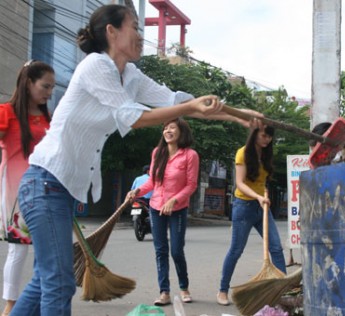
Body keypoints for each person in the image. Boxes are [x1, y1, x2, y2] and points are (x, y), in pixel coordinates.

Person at [10, 5, 261, 316]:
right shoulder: (96, 67)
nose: (141, 36)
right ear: (112, 32)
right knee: (58, 282)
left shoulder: (129, 75)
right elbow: (135, 117)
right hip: (44, 184)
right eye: (135, 27)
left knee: (45, 281)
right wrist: (194, 105)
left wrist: (238, 116)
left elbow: (173, 101)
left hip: (56, 189)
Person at [0, 60, 54, 316]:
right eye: (45, 86)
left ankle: (37, 301)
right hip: (16, 190)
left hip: (46, 190)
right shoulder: (7, 112)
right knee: (18, 248)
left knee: (45, 250)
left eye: (52, 87)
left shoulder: (47, 118)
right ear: (28, 82)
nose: (49, 92)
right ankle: (10, 305)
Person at [127, 117, 197, 306]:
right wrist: (136, 191)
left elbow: (191, 185)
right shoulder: (157, 153)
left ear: (181, 132)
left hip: (178, 209)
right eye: (165, 128)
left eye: (172, 128)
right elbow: (151, 182)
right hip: (156, 206)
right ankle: (164, 292)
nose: (168, 131)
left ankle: (184, 287)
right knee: (160, 251)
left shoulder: (190, 155)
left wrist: (174, 200)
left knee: (176, 250)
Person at [217, 126, 287, 306]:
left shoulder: (266, 154)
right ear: (255, 134)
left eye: (270, 136)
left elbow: (261, 181)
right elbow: (239, 183)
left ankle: (283, 291)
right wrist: (256, 196)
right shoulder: (243, 153)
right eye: (264, 135)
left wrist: (263, 194)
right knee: (236, 250)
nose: (267, 140)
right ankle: (223, 290)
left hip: (261, 207)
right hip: (244, 207)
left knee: (277, 248)